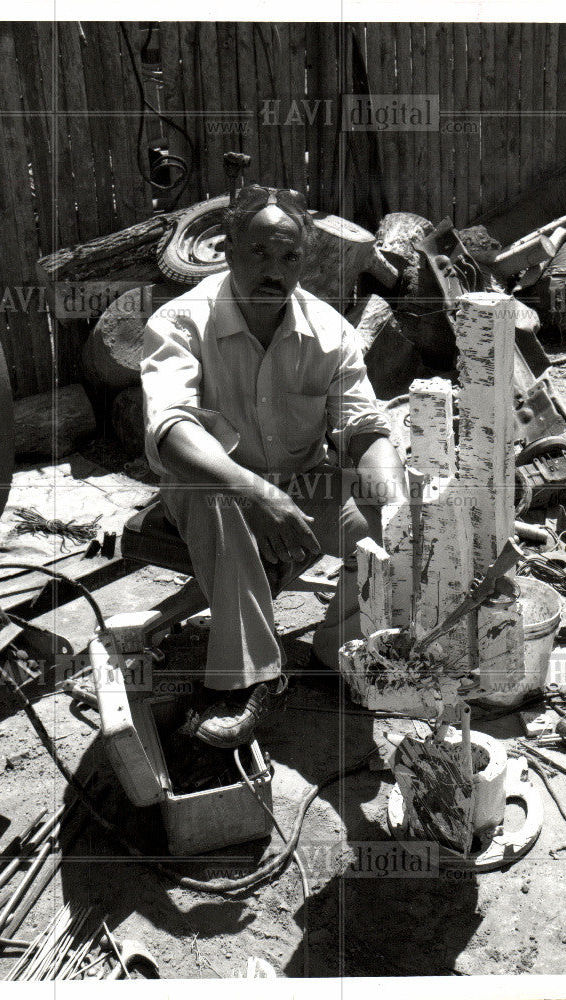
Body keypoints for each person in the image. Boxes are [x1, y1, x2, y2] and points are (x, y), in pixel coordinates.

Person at [141, 185, 408, 749]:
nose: (274, 270)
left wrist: (394, 494)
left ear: (303, 263)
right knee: (222, 497)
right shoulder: (180, 322)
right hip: (211, 486)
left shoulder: (331, 332)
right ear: (228, 249)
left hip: (301, 486)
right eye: (259, 252)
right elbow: (170, 432)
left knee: (400, 528)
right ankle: (247, 678)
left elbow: (364, 429)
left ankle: (337, 645)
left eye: (288, 257)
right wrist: (257, 492)